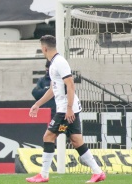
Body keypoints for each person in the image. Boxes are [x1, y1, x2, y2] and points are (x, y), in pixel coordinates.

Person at [26, 35, 106, 183]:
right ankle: (98, 172)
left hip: (66, 109)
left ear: (44, 48)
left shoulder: (60, 62)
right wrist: (38, 104)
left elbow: (70, 84)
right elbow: (53, 88)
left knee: (48, 137)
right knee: (76, 140)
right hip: (69, 107)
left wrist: (68, 108)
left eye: (41, 49)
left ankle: (43, 175)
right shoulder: (54, 63)